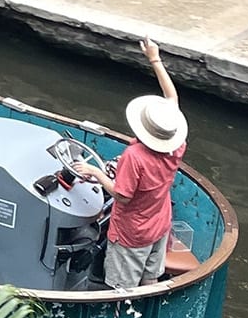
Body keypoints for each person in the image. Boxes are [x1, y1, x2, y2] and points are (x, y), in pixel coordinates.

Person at [67, 39, 187, 291]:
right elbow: (172, 97)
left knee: (123, 288)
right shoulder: (176, 146)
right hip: (159, 223)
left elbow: (121, 196)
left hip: (132, 233)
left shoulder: (135, 156)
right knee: (150, 278)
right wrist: (155, 58)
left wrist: (95, 172)